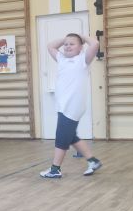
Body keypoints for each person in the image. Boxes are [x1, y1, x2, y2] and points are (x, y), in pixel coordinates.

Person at [40, 33, 103, 178]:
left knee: (62, 137)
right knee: (71, 136)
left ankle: (55, 169)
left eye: (72, 44)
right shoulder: (61, 59)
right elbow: (50, 46)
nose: (68, 46)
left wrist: (80, 36)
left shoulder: (83, 60)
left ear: (81, 47)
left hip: (72, 106)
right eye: (66, 44)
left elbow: (95, 44)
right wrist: (67, 38)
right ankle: (93, 161)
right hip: (63, 105)